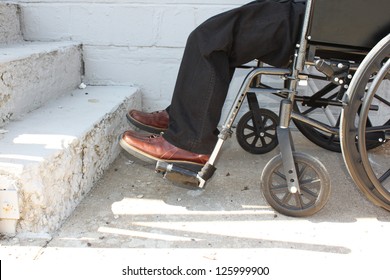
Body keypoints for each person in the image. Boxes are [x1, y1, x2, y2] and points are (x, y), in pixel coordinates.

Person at [120, 0, 306, 170]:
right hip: (302, 9)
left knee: (207, 40)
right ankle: (182, 119)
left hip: (307, 14)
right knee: (213, 35)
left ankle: (189, 142)